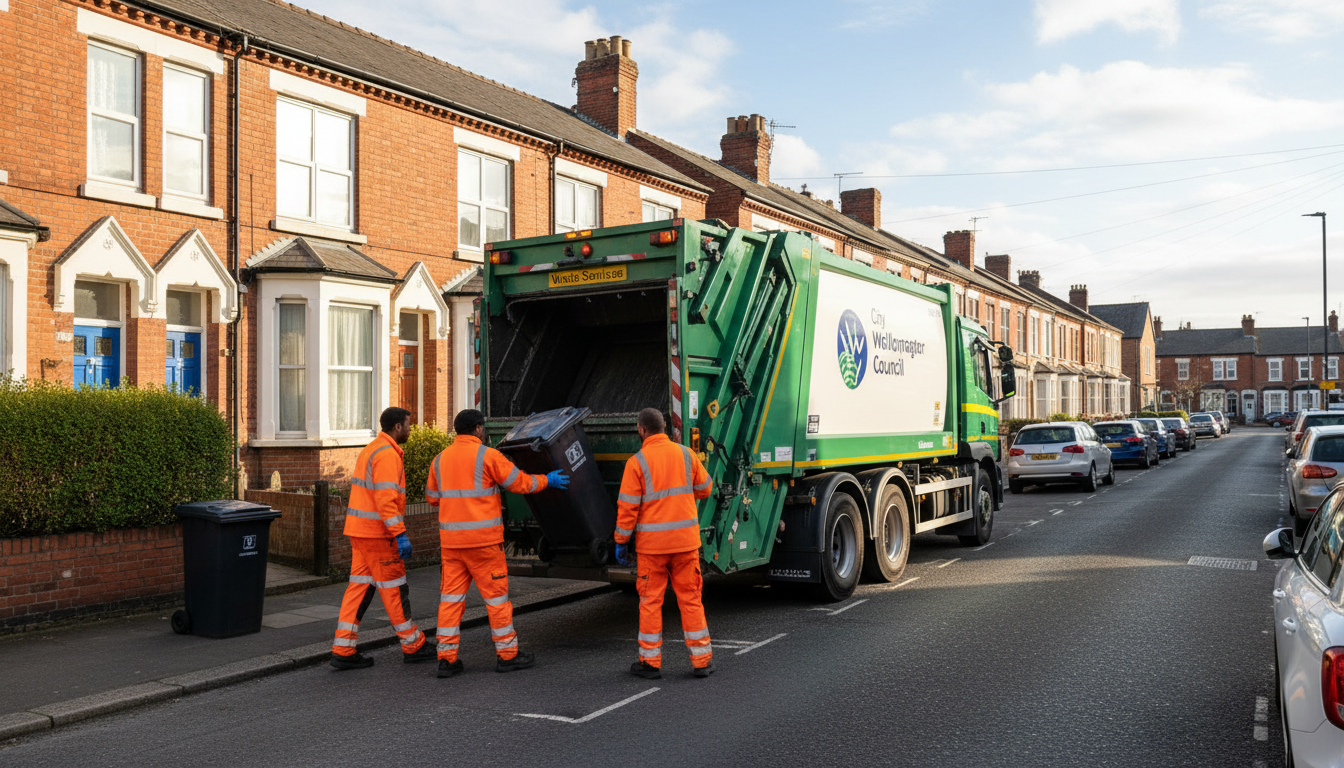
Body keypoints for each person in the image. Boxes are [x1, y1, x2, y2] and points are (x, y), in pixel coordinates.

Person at [426, 409, 569, 679]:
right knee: (496, 601)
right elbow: (519, 483)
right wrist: (547, 481)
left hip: (452, 546)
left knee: (450, 602)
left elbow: (433, 498)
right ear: (479, 429)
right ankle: (507, 655)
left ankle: (446, 659)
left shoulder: (439, 460)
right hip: (484, 545)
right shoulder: (487, 456)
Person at [613, 408, 714, 679]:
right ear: (665, 427)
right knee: (691, 600)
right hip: (685, 544)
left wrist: (621, 542)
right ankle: (702, 661)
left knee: (650, 602)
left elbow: (627, 508)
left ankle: (650, 663)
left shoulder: (636, 463)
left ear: (641, 430)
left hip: (652, 549)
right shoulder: (686, 454)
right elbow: (706, 488)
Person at [330, 407, 434, 670]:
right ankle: (414, 645)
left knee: (359, 588)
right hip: (380, 535)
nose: (411, 429)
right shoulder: (387, 454)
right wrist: (399, 534)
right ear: (397, 427)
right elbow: (386, 500)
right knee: (395, 589)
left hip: (360, 532)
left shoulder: (371, 448)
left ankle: (343, 649)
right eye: (409, 424)